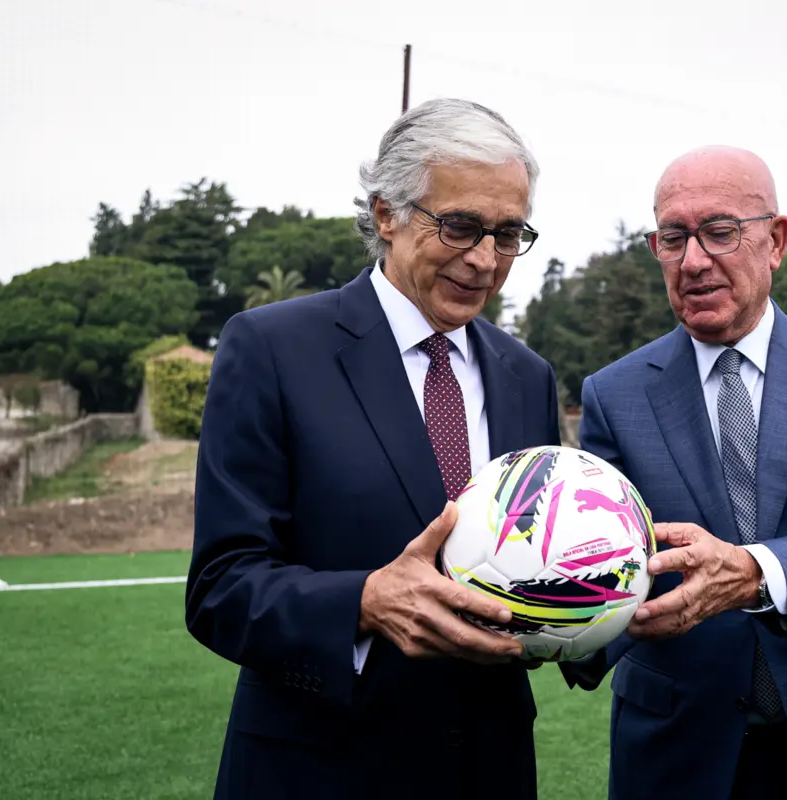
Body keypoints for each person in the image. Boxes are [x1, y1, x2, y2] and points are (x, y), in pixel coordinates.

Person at [185, 98, 560, 800]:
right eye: (461, 227)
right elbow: (221, 589)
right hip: (321, 770)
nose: (485, 260)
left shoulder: (526, 376)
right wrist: (364, 600)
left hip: (491, 768)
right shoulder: (272, 349)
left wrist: (599, 594)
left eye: (508, 234)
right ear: (387, 213)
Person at [559, 146, 787, 799]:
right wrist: (553, 618)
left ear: (777, 241)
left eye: (720, 232)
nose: (693, 260)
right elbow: (606, 561)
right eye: (672, 238)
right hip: (681, 752)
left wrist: (752, 573)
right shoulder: (612, 395)